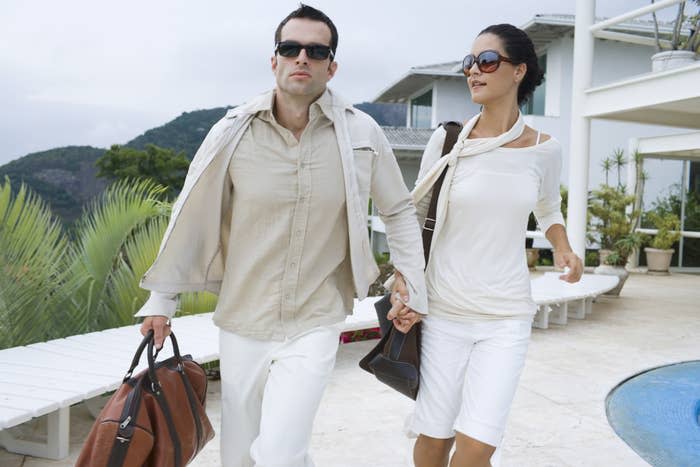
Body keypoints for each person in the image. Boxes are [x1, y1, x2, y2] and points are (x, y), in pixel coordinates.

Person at [134, 5, 426, 466]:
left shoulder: (360, 132)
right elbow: (189, 213)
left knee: (279, 452)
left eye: (316, 50)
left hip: (316, 315)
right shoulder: (232, 132)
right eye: (290, 48)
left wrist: (412, 280)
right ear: (274, 60)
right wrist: (161, 301)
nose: (301, 58)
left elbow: (398, 209)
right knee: (240, 453)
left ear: (332, 66)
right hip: (242, 316)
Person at [397, 24, 584, 467]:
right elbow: (410, 217)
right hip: (443, 312)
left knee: (477, 448)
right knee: (435, 437)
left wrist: (564, 247)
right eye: (469, 62)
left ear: (519, 71)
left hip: (505, 317)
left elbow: (548, 206)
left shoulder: (545, 149)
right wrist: (404, 282)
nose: (473, 71)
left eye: (486, 61)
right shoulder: (448, 143)